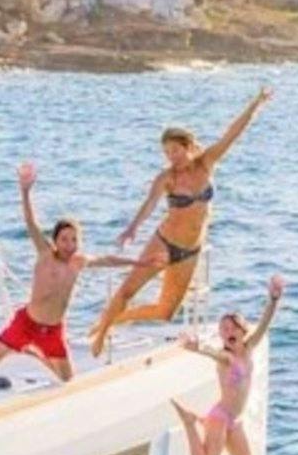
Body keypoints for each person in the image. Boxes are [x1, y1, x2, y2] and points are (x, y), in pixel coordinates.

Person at [88, 86, 273, 358]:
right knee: (127, 290)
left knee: (165, 312)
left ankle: (113, 319)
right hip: (164, 243)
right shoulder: (167, 178)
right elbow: (150, 204)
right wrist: (132, 228)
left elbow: (232, 134)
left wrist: (256, 103)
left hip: (190, 251)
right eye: (166, 153)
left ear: (189, 147)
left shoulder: (207, 163)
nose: (171, 157)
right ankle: (102, 333)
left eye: (175, 150)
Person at [0, 162, 140, 382]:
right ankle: (27, 346)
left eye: (74, 240)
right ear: (55, 241)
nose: (69, 244)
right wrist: (25, 191)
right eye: (64, 239)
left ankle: (35, 352)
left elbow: (107, 259)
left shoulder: (78, 262)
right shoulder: (45, 254)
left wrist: (138, 262)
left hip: (53, 331)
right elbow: (31, 222)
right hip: (26, 324)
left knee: (68, 381)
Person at [172, 274, 284, 455]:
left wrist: (274, 299)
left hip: (235, 420)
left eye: (232, 328)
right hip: (221, 417)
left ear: (243, 332)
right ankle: (190, 422)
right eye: (224, 329)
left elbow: (264, 324)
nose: (228, 332)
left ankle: (202, 424)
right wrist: (198, 348)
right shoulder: (226, 358)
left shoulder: (249, 348)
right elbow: (213, 353)